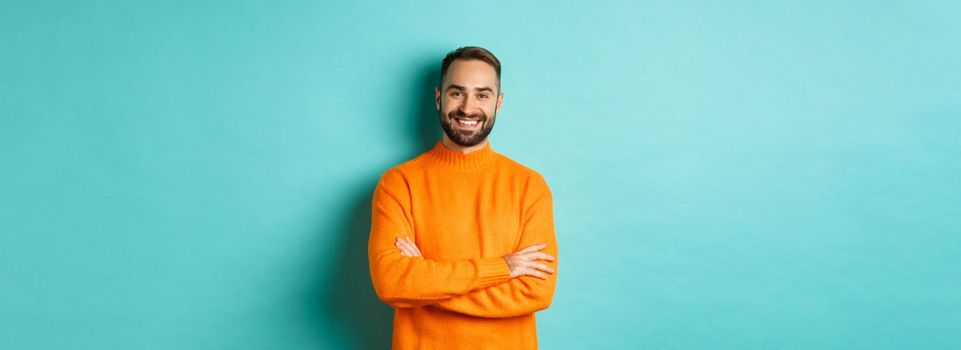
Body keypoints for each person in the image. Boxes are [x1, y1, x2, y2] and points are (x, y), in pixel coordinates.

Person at [367, 46, 559, 349]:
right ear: (439, 98)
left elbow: (536, 291)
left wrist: (428, 287)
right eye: (457, 93)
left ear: (498, 103)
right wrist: (502, 269)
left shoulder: (529, 186)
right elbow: (393, 282)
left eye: (482, 95)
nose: (468, 108)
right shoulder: (399, 183)